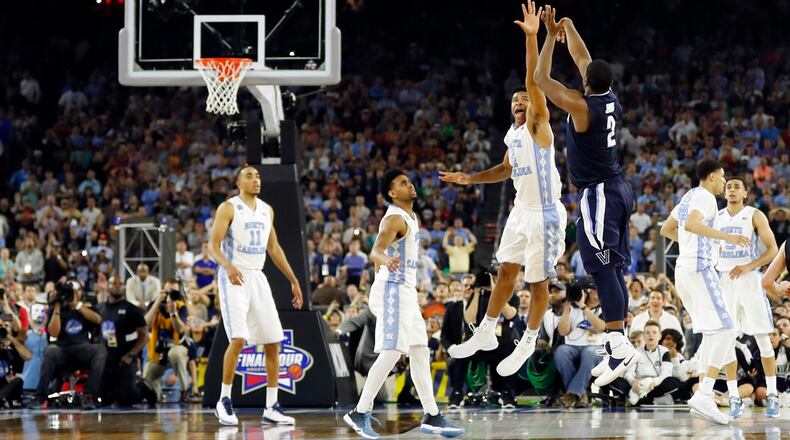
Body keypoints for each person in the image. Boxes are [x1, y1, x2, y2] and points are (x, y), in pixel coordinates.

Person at [440, 3, 566, 379]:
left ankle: (528, 338)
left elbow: (533, 80)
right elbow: (505, 170)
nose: (518, 102)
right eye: (514, 101)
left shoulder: (539, 126)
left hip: (545, 212)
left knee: (537, 280)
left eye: (523, 100)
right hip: (520, 210)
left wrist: (533, 37)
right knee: (506, 271)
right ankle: (486, 331)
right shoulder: (512, 135)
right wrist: (469, 178)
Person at [532, 7, 636, 387]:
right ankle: (617, 341)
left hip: (599, 193)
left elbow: (541, 78)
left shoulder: (582, 105)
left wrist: (548, 36)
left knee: (599, 266)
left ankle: (617, 342)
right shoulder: (608, 96)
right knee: (612, 267)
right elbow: (583, 58)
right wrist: (569, 26)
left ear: (586, 83)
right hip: (618, 188)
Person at [344, 169, 463, 439]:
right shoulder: (396, 218)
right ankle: (360, 412)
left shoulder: (411, 216)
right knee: (392, 352)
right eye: (402, 183)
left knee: (421, 350)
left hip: (405, 290)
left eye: (409, 181)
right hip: (393, 289)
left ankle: (432, 414)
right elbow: (375, 251)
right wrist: (385, 262)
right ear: (391, 193)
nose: (409, 185)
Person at [208, 165, 304, 426]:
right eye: (249, 176)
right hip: (234, 276)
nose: (255, 180)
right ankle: (224, 401)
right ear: (238, 183)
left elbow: (274, 248)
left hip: (257, 277)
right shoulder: (228, 208)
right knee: (238, 339)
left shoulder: (266, 209)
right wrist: (227, 266)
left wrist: (293, 281)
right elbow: (212, 246)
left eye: (257, 176)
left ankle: (271, 406)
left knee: (273, 341)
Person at [659, 159, 750, 424]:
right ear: (712, 177)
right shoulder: (707, 198)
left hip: (684, 271)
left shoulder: (687, 196)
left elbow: (667, 229)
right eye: (722, 178)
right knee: (727, 329)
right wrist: (725, 238)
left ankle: (704, 393)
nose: (723, 183)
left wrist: (698, 243)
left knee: (712, 332)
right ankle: (705, 393)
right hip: (700, 271)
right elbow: (692, 226)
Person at [715, 178, 780, 418]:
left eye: (736, 187)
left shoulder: (755, 215)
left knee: (763, 339)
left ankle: (772, 393)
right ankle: (733, 397)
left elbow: (773, 250)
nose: (731, 190)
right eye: (728, 187)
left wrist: (748, 265)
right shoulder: (716, 217)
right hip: (725, 281)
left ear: (745, 193)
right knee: (726, 340)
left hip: (750, 281)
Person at [31, 280, 106, 409]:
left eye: (73, 291)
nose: (69, 295)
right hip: (62, 350)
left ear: (79, 293)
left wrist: (76, 305)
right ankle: (40, 397)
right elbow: (53, 333)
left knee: (99, 350)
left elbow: (98, 320)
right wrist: (58, 306)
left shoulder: (85, 309)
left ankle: (89, 396)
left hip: (82, 349)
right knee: (50, 350)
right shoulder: (56, 310)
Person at [96, 275, 153, 406]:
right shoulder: (99, 309)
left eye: (120, 283)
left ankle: (143, 389)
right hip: (106, 362)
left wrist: (131, 354)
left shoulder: (131, 309)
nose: (117, 285)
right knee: (104, 399)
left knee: (126, 399)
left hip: (125, 360)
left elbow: (144, 336)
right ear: (108, 287)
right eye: (114, 283)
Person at [0, 312, 32, 407]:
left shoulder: (15, 346)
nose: (3, 327)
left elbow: (28, 356)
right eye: (0, 325)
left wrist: (8, 337)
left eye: (6, 325)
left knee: (18, 380)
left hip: (11, 385)